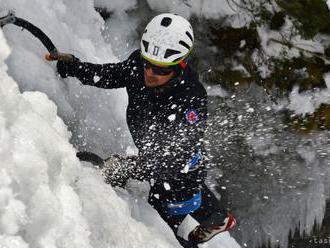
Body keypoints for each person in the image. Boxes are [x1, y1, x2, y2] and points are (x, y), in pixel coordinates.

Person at [55, 13, 236, 246]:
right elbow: (110, 75)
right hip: (157, 163)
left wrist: (127, 167)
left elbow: (172, 160)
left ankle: (213, 220)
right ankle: (217, 216)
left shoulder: (191, 100)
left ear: (180, 65)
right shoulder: (139, 65)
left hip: (178, 178)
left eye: (161, 70)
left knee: (165, 223)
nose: (150, 73)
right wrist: (74, 67)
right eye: (149, 65)